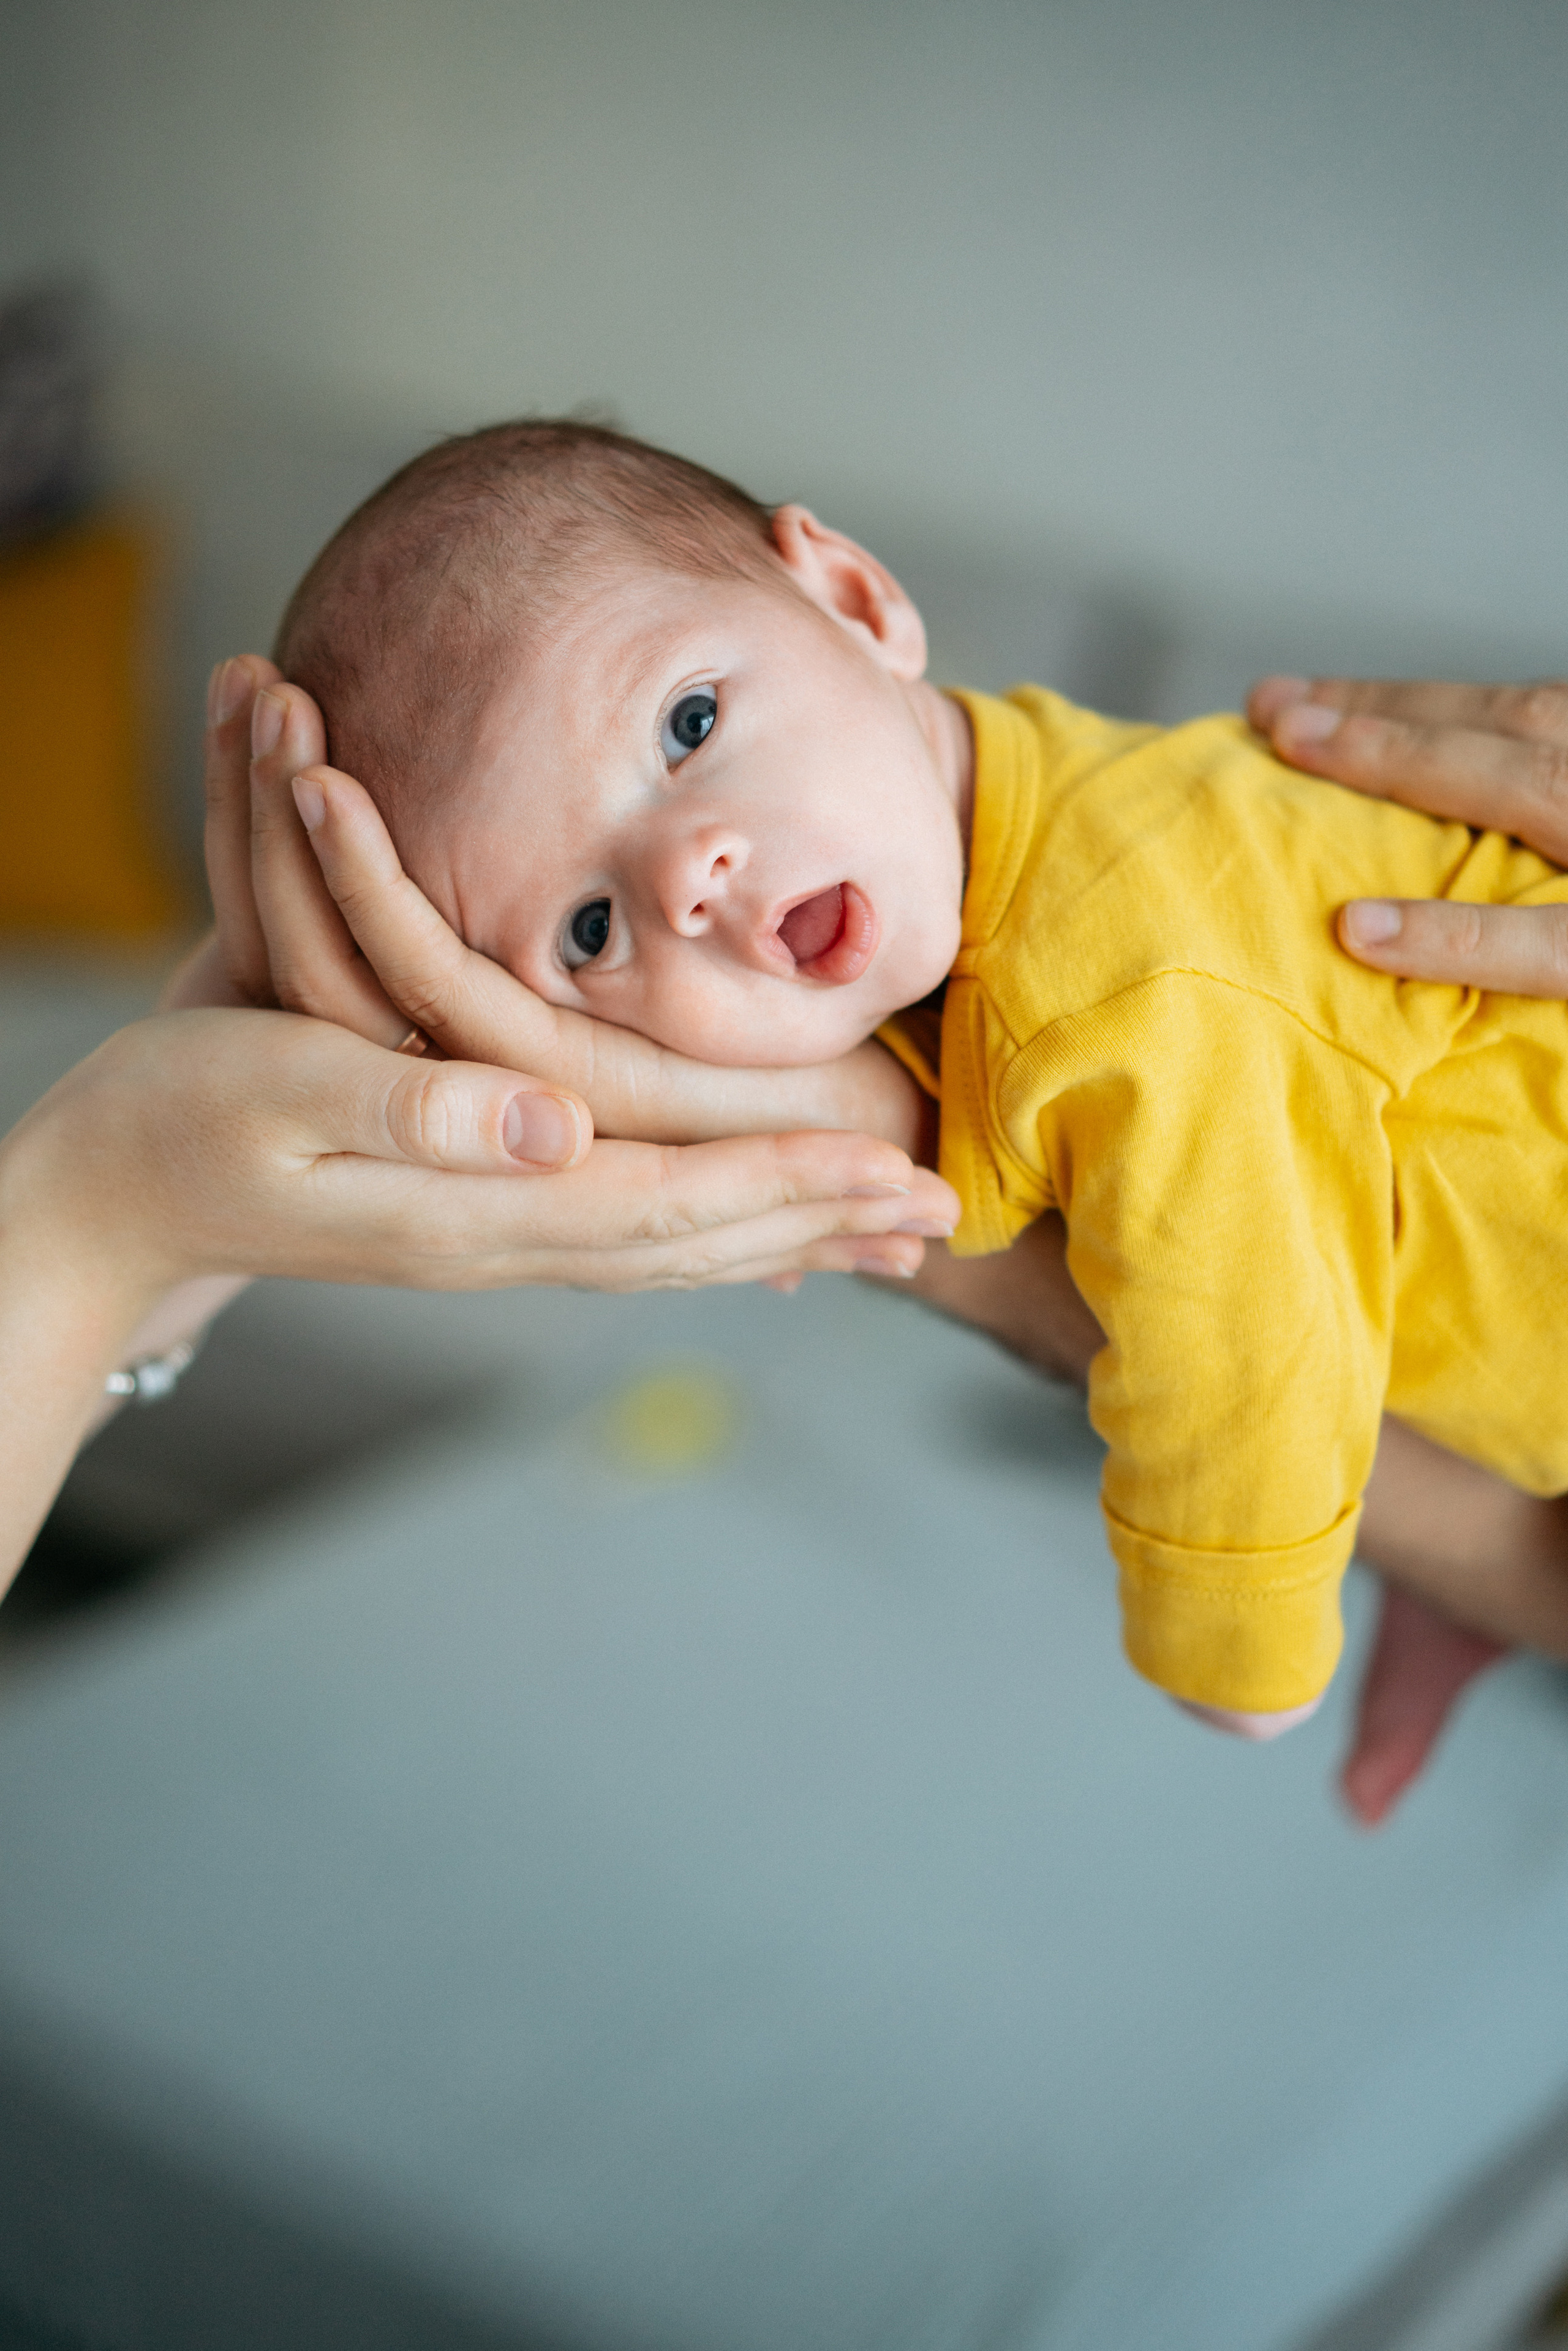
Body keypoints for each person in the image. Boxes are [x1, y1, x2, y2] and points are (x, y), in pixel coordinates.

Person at [249, 418, 1568, 1756]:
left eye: (687, 723)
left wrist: (1234, 1634)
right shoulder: (1044, 848)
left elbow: (1242, 1303)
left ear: (858, 600)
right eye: (588, 928)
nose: (684, 874)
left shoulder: (1115, 955)